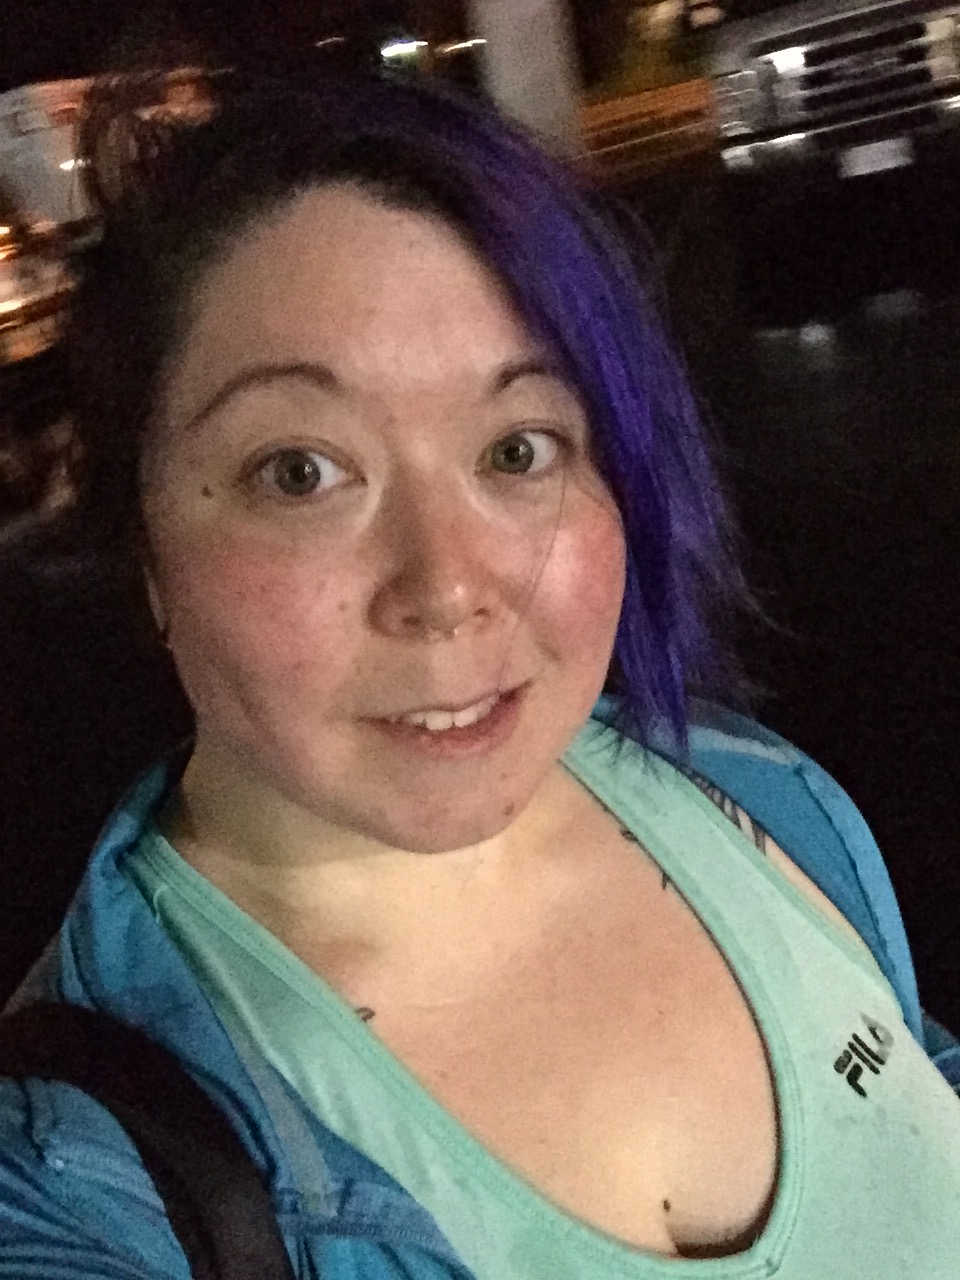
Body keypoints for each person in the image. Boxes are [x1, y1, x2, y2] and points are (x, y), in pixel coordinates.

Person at [0, 66, 958, 1278]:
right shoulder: (83, 1182)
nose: (448, 585)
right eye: (300, 472)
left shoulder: (759, 802)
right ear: (143, 549)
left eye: (517, 449)